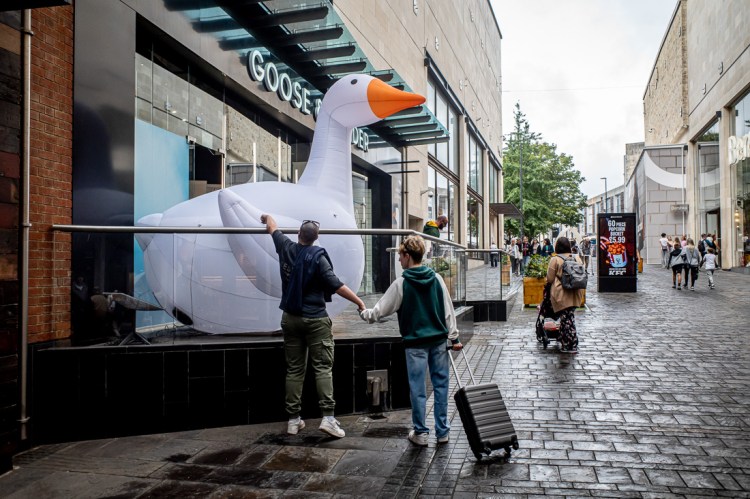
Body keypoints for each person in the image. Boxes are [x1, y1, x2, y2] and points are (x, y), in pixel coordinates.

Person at [261, 214, 366, 438]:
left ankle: (293, 420)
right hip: (316, 320)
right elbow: (336, 285)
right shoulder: (319, 258)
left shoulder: (285, 247)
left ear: (298, 235)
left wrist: (264, 217)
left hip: (290, 318)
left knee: (294, 369)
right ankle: (328, 418)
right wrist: (359, 301)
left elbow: (271, 225)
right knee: (322, 368)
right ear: (316, 239)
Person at [360, 235, 462, 446]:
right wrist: (454, 337)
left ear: (407, 256)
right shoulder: (437, 279)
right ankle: (442, 432)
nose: (399, 261)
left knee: (418, 389)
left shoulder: (402, 284)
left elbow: (379, 311)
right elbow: (448, 312)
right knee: (441, 386)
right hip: (439, 342)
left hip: (415, 344)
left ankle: (421, 433)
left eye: (400, 256)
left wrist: (364, 313)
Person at [545, 237, 585, 354]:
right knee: (568, 317)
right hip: (575, 292)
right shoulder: (576, 257)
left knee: (566, 318)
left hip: (561, 293)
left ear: (557, 246)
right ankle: (566, 341)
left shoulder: (555, 259)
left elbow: (550, 278)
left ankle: (570, 343)